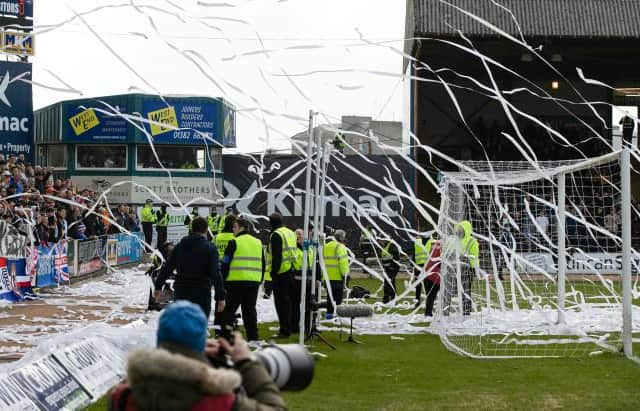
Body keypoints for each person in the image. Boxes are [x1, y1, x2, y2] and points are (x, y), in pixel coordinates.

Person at [108, 301, 286, 411]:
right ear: (201, 340)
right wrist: (247, 363)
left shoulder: (123, 398)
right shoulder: (221, 402)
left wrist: (194, 355)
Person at [155, 217, 226, 320]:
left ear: (192, 229)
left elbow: (168, 267)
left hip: (181, 291)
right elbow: (215, 273)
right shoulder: (210, 248)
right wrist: (220, 297)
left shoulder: (180, 246)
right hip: (201, 292)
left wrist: (158, 286)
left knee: (181, 325)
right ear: (206, 230)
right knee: (199, 326)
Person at [220, 216, 264, 341]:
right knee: (250, 310)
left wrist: (223, 281)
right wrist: (259, 280)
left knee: (229, 311)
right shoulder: (258, 242)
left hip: (236, 281)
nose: (233, 229)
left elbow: (225, 263)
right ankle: (253, 337)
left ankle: (225, 336)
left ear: (242, 228)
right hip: (253, 281)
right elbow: (263, 262)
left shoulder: (234, 242)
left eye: (234, 227)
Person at [268, 212, 297, 338]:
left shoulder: (276, 235)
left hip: (280, 273)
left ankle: (284, 330)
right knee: (289, 302)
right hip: (291, 270)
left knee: (281, 304)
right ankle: (289, 327)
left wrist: (273, 274)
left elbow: (277, 257)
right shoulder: (290, 232)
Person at [322, 229, 350, 319]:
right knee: (338, 298)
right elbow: (343, 263)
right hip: (337, 277)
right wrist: (346, 275)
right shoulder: (340, 247)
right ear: (341, 238)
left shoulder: (326, 246)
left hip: (327, 277)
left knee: (329, 297)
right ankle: (337, 315)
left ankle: (329, 314)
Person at [455, 220, 479, 316]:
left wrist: (474, 269)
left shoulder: (472, 241)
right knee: (457, 290)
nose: (459, 230)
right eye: (459, 228)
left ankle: (466, 311)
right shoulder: (456, 240)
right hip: (456, 268)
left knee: (466, 290)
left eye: (461, 229)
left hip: (468, 269)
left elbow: (474, 255)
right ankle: (461, 309)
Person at [292, 228, 313, 334]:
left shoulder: (309, 248)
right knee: (295, 305)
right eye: (296, 234)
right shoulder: (293, 249)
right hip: (296, 281)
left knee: (308, 305)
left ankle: (307, 327)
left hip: (309, 281)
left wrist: (317, 279)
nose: (298, 236)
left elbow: (314, 264)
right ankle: (295, 326)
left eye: (300, 234)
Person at [423, 233, 442, 317]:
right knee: (432, 295)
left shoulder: (434, 246)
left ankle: (428, 312)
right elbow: (438, 263)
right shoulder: (440, 248)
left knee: (430, 296)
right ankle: (429, 313)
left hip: (428, 274)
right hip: (434, 276)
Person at [381, 237, 400, 304]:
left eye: (382, 240)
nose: (380, 241)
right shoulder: (385, 246)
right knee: (387, 283)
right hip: (387, 268)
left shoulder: (391, 245)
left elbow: (396, 257)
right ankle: (387, 299)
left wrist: (392, 265)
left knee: (390, 283)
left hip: (392, 267)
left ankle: (391, 299)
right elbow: (384, 258)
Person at [413, 234, 429, 308]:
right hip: (425, 267)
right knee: (424, 286)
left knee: (420, 286)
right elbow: (414, 254)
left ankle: (418, 302)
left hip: (422, 267)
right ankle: (424, 302)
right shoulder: (431, 242)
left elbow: (414, 255)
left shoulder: (417, 242)